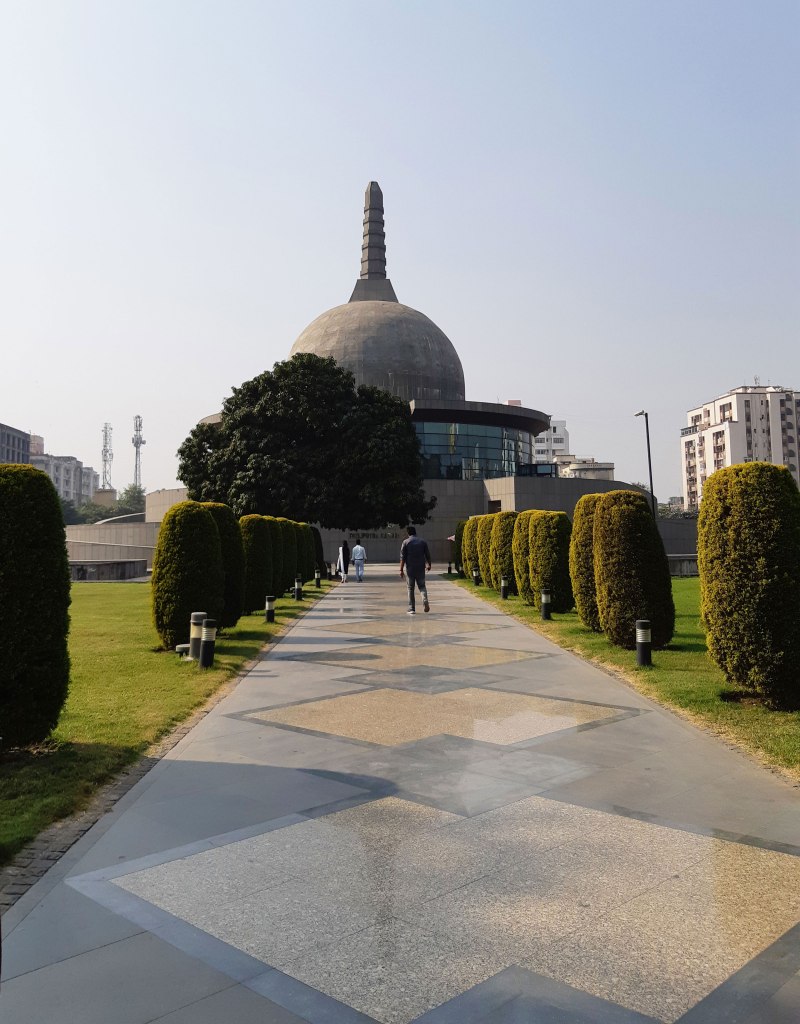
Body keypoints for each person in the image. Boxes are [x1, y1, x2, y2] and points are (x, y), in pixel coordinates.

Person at [399, 525, 431, 614]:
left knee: (410, 588)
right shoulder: (422, 542)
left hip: (410, 569)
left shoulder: (405, 542)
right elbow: (427, 554)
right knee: (422, 586)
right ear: (415, 532)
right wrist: (429, 564)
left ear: (408, 533)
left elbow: (402, 557)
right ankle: (424, 599)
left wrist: (401, 569)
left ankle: (412, 608)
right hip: (421, 568)